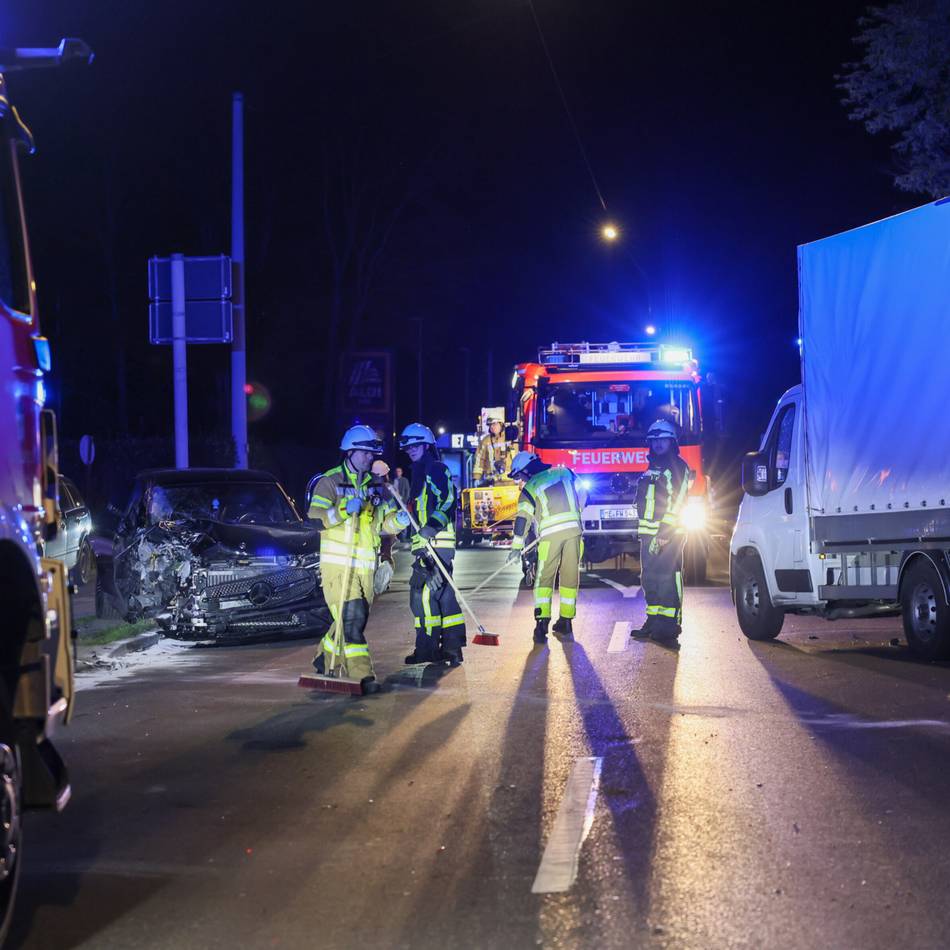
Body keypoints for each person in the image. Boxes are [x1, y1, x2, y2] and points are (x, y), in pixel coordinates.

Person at [307, 425, 408, 693]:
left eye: (372, 453)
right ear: (350, 452)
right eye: (365, 453)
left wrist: (398, 521)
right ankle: (363, 676)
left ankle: (323, 658)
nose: (369, 458)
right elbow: (315, 518)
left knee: (350, 621)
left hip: (365, 570)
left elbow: (381, 526)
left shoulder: (374, 486)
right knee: (352, 618)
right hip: (338, 567)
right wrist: (342, 509)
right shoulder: (329, 482)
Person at [399, 422, 467, 666]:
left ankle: (427, 649)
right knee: (444, 596)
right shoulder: (418, 473)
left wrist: (432, 526)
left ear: (427, 445)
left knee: (423, 593)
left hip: (438, 542)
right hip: (427, 544)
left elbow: (448, 498)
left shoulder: (435, 468)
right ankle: (452, 649)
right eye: (407, 447)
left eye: (415, 446)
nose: (410, 450)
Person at [506, 451, 587, 644]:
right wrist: (575, 513)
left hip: (550, 536)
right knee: (569, 576)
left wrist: (516, 548)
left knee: (544, 578)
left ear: (526, 471)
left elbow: (522, 520)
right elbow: (584, 494)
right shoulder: (565, 473)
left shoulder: (530, 488)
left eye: (519, 476)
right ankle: (566, 622)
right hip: (574, 532)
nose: (520, 480)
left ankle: (542, 624)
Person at [630, 418, 692, 649]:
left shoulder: (677, 466)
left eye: (662, 440)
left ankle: (668, 628)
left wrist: (665, 533)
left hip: (668, 534)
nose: (657, 444)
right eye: (654, 440)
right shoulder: (653, 467)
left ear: (671, 442)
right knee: (650, 578)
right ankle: (654, 622)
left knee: (668, 579)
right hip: (649, 534)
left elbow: (676, 501)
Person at [472, 418, 515, 484]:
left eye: (494, 424)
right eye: (490, 425)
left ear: (501, 424)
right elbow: (479, 460)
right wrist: (476, 478)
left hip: (510, 481)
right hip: (491, 482)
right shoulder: (485, 441)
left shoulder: (511, 438)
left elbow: (517, 457)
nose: (492, 427)